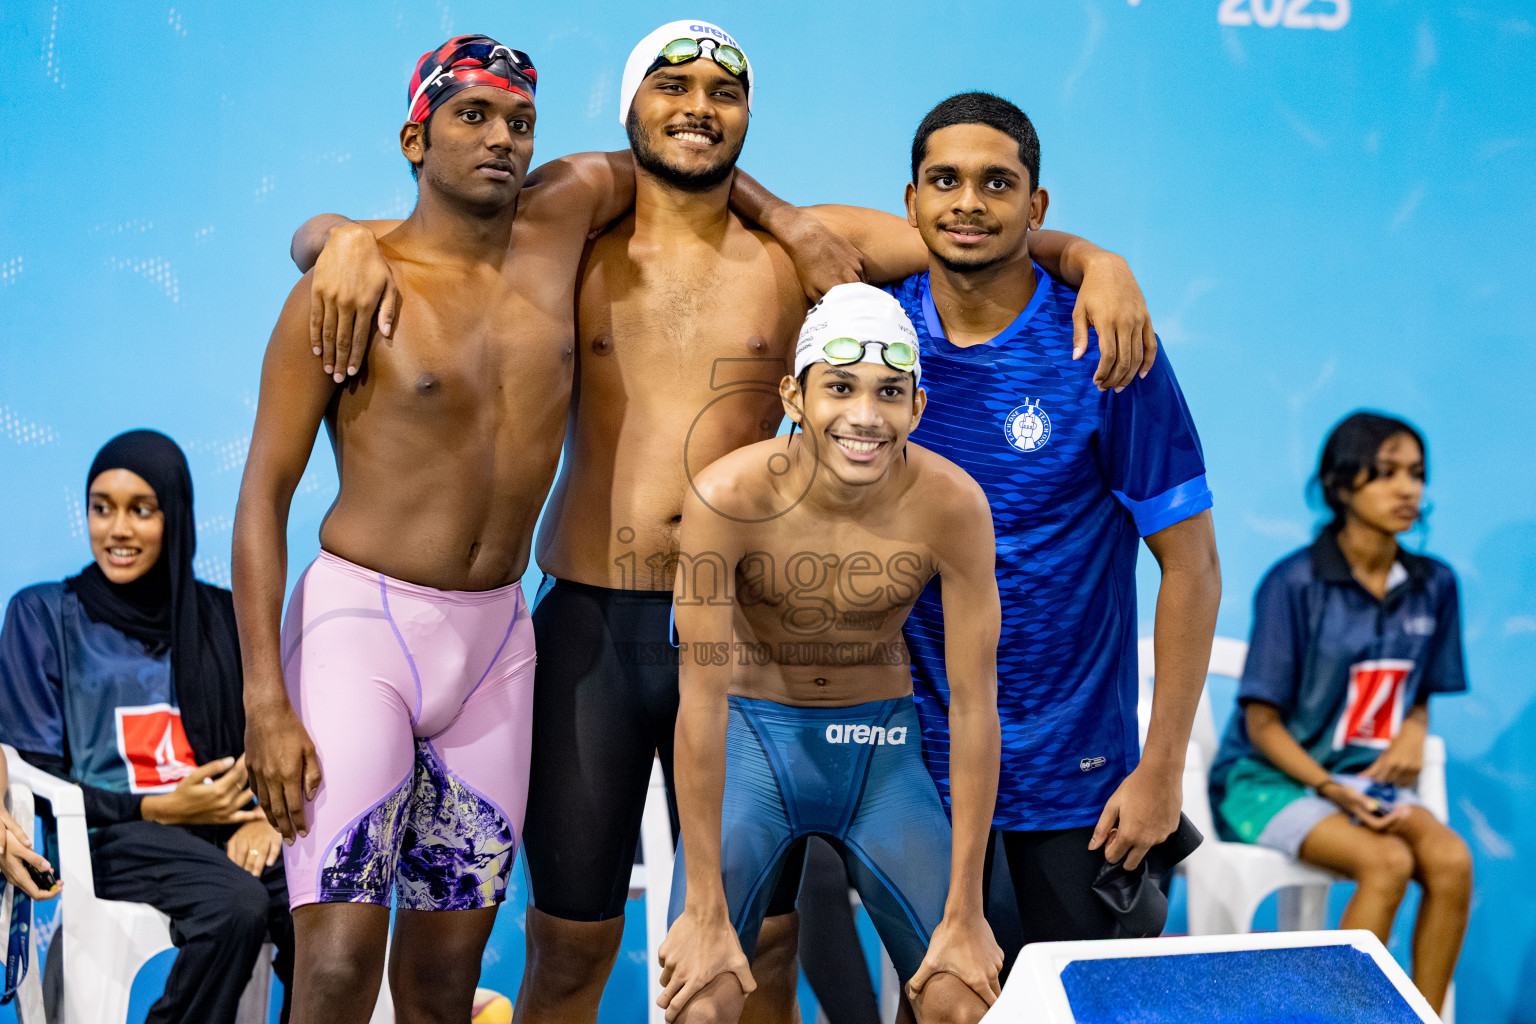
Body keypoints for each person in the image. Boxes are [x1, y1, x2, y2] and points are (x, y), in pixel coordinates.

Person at [293, 22, 1159, 1020]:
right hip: (595, 634)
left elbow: (971, 233)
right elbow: (407, 237)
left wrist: (1096, 259)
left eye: (723, 91)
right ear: (631, 109)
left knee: (765, 943)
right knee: (571, 944)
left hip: (748, 636)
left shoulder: (805, 246)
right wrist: (340, 236)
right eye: (673, 85)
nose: (699, 106)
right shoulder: (570, 233)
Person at [231, 36, 641, 1024]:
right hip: (360, 630)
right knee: (333, 968)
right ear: (416, 137)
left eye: (520, 123)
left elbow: (689, 156)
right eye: (473, 116)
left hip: (497, 644)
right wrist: (265, 702)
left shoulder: (556, 251)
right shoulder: (350, 287)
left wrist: (795, 233)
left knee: (444, 981)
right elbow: (262, 495)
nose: (501, 138)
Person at [886, 92, 1222, 945]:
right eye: (945, 181)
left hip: (1079, 785)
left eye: (997, 183)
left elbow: (1192, 566)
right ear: (911, 202)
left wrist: (1162, 770)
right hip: (916, 777)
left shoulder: (1106, 344)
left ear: (1036, 208)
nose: (969, 202)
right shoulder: (874, 339)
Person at [662, 283, 1002, 1024]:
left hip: (878, 749)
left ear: (917, 405)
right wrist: (704, 911)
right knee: (702, 1000)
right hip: (752, 740)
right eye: (840, 388)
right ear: (794, 395)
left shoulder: (953, 504)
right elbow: (702, 699)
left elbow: (977, 708)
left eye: (889, 393)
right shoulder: (728, 497)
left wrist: (967, 912)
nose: (865, 416)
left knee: (962, 999)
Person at [0, 430, 292, 1024]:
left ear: (175, 517)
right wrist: (157, 809)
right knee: (235, 904)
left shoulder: (220, 617)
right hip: (113, 838)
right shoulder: (45, 615)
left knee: (321, 903)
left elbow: (271, 736)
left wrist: (264, 818)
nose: (118, 530)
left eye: (141, 510)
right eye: (101, 508)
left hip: (222, 827)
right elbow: (37, 777)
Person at [1209, 412, 1471, 1013]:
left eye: (1416, 474)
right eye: (1384, 474)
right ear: (1341, 485)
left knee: (1451, 860)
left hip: (1365, 783)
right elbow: (1262, 724)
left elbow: (1423, 686)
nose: (1407, 489)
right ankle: (1330, 1014)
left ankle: (1425, 1013)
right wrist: (1329, 787)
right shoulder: (1294, 583)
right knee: (1386, 861)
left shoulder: (1436, 584)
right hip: (1267, 782)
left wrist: (1415, 726)